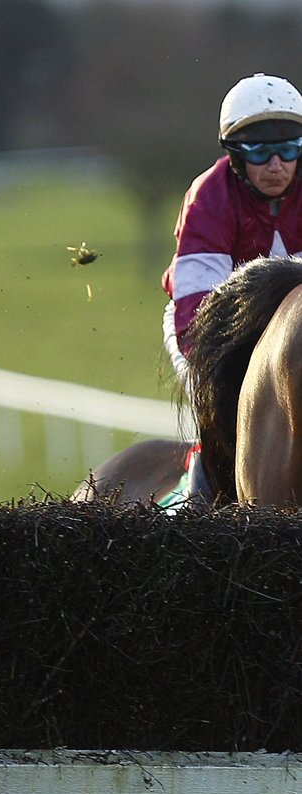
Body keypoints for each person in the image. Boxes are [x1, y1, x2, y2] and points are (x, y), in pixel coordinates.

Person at [161, 71, 302, 497]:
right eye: (260, 152)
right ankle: (199, 497)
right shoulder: (210, 196)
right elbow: (196, 311)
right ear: (235, 156)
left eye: (288, 149)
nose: (276, 165)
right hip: (217, 328)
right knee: (227, 409)